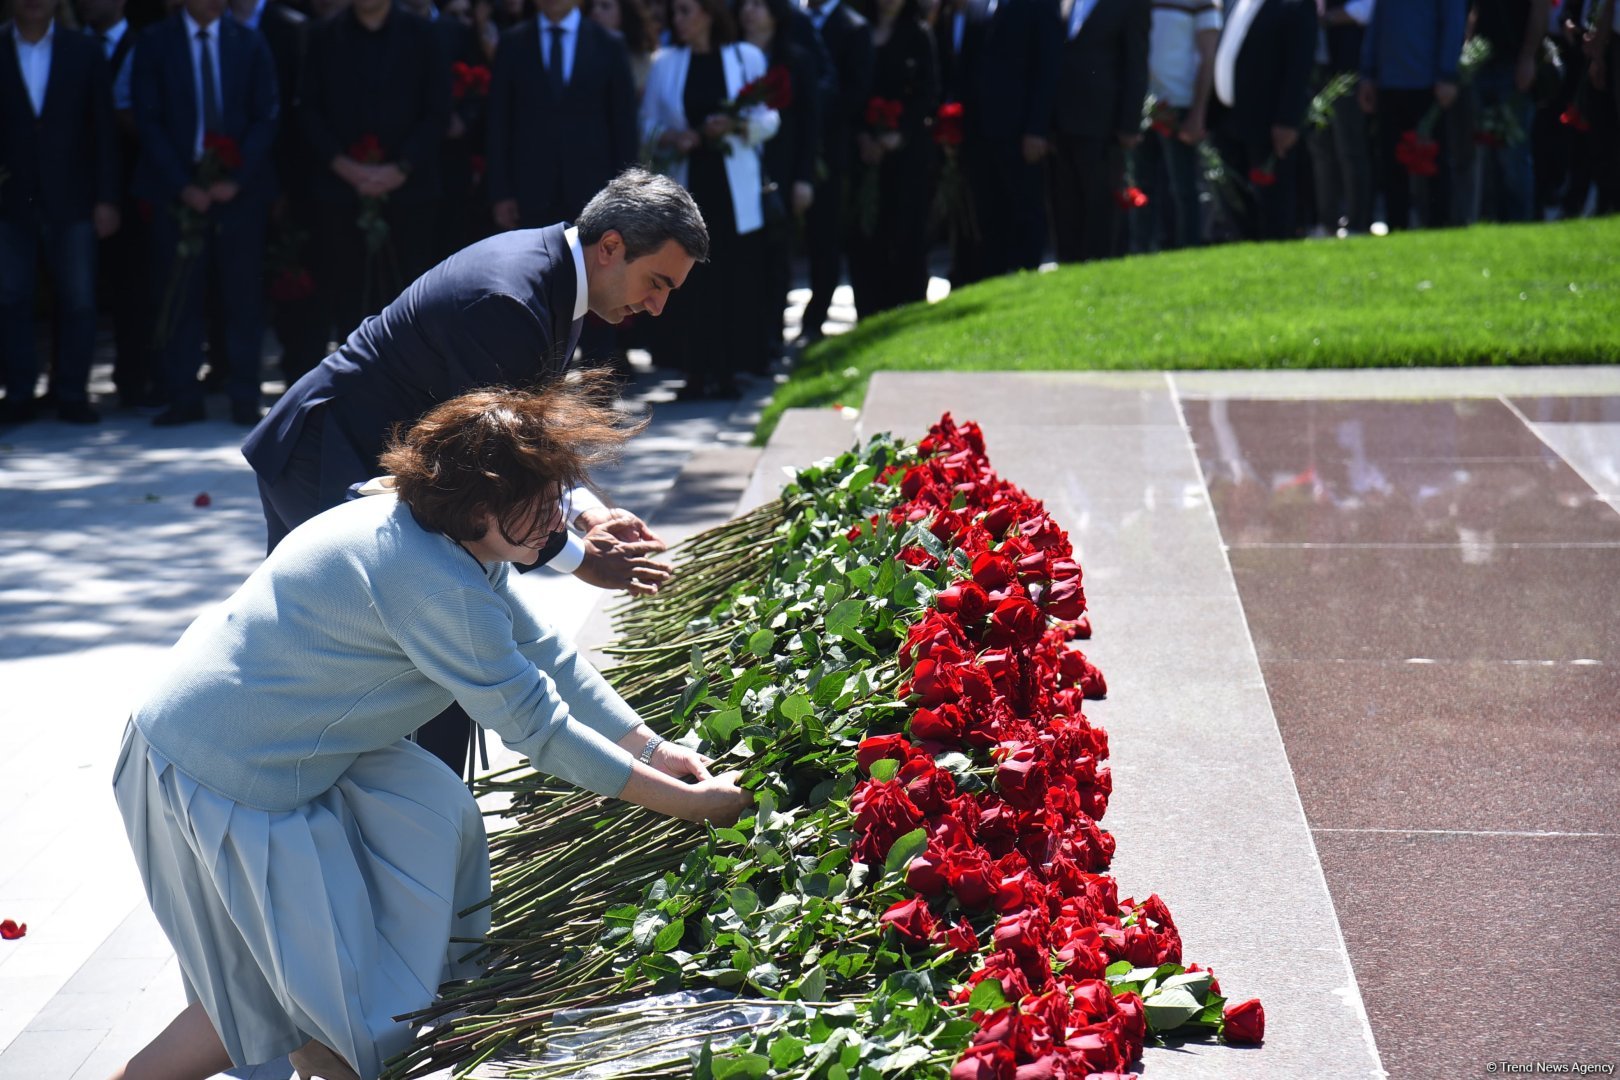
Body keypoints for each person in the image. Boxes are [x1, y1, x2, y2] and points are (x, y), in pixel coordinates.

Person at [110, 380, 754, 1080]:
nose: (556, 525)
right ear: (480, 506)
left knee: (319, 971)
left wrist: (658, 751)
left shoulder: (438, 533)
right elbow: (540, 730)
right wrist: (688, 806)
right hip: (219, 771)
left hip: (293, 755)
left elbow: (550, 660)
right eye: (538, 507)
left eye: (556, 502)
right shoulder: (432, 581)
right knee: (299, 1010)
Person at [132, 0, 278, 427]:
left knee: (243, 298)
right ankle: (182, 396)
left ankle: (244, 396)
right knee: (180, 296)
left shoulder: (248, 41)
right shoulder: (156, 42)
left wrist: (236, 177)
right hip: (176, 192)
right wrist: (183, 184)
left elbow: (266, 115)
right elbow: (148, 117)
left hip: (239, 193)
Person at [640, 0, 779, 397]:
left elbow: (770, 118)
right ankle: (694, 370)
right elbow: (646, 121)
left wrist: (735, 125)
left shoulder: (744, 56)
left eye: (685, 11)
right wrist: (670, 137)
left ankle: (731, 369)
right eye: (675, 12)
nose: (677, 20)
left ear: (708, 13)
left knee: (734, 274)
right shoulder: (665, 61)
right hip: (688, 183)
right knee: (689, 278)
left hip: (733, 188)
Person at [0, 0, 121, 426]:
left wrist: (108, 197)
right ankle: (17, 392)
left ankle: (71, 392)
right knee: (11, 297)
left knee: (79, 300)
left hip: (74, 197)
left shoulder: (83, 50)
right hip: (10, 201)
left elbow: (104, 128)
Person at [300, 0, 451, 338]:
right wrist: (344, 165)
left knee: (410, 298)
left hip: (410, 189)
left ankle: (409, 386)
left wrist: (401, 167)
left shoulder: (424, 35)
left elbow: (438, 110)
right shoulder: (324, 36)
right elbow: (308, 110)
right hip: (341, 191)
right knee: (346, 298)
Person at [738, 0, 821, 363]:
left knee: (776, 258)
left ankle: (770, 339)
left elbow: (809, 124)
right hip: (739, 171)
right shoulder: (731, 57)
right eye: (746, 4)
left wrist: (804, 177)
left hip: (782, 172)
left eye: (760, 5)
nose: (750, 12)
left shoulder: (797, 59)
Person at [845, 0, 936, 316]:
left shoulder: (918, 34)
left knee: (906, 229)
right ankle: (869, 310)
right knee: (866, 232)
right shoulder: (857, 31)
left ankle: (909, 307)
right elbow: (850, 88)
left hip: (906, 153)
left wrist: (900, 135)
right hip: (864, 152)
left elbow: (928, 92)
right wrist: (863, 135)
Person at [794, 0, 872, 344]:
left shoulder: (853, 27)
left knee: (826, 237)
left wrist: (813, 109)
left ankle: (817, 315)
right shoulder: (794, 19)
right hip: (792, 147)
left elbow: (856, 92)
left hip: (831, 151)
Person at [1048, 0, 1149, 263]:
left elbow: (1136, 64)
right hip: (1062, 123)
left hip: (1103, 125)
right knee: (1066, 209)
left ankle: (1100, 268)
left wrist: (1129, 124)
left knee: (1101, 209)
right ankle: (1068, 268)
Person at [1209, 0, 1317, 240]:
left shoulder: (1295, 5)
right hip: (1229, 117)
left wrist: (1288, 121)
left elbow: (1299, 67)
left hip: (1269, 122)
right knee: (1235, 202)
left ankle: (1276, 256)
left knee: (1273, 204)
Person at [1358, 0, 1468, 229]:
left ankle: (1440, 228)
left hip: (1428, 84)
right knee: (1391, 164)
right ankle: (1396, 227)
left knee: (1433, 165)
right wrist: (1367, 73)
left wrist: (1447, 74)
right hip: (1389, 82)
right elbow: (1377, 22)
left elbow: (1454, 23)